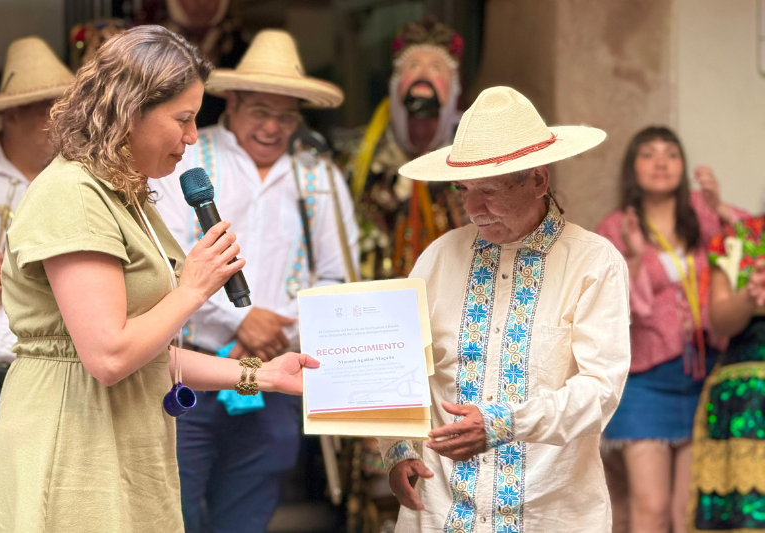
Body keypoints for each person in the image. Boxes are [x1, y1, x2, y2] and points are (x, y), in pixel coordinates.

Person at [0, 25, 317, 533]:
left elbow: (149, 353)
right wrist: (193, 288)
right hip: (72, 444)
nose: (192, 136)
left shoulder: (126, 195)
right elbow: (110, 357)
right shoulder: (72, 193)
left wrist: (262, 375)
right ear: (129, 111)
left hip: (127, 439)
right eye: (183, 119)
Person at [378, 86, 631, 532]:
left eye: (490, 191)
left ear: (538, 181)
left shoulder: (594, 263)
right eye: (464, 190)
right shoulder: (439, 258)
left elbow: (601, 390)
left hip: (548, 515)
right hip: (442, 513)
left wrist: (503, 423)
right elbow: (399, 362)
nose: (473, 208)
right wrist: (398, 450)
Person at [150, 29, 358, 533]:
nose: (271, 127)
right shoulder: (188, 157)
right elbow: (163, 258)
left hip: (275, 371)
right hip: (187, 368)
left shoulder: (319, 176)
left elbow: (338, 274)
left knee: (249, 511)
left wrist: (285, 328)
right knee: (173, 508)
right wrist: (239, 319)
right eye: (260, 110)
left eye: (286, 116)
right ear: (233, 102)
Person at [596, 126, 744, 533]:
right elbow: (614, 305)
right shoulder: (615, 226)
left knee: (687, 512)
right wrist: (637, 259)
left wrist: (720, 208)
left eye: (671, 154)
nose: (661, 162)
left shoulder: (703, 214)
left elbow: (751, 247)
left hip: (703, 374)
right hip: (644, 381)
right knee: (652, 509)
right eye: (648, 154)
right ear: (632, 167)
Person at [0, 36, 73, 532]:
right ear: (10, 113)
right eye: (49, 109)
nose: (63, 120)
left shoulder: (78, 179)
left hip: (60, 383)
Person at [337, 16, 467, 280]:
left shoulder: (472, 163)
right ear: (395, 85)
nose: (423, 75)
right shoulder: (359, 162)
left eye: (436, 68)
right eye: (413, 65)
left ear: (453, 89)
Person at [686, 214, 765, 532]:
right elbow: (719, 321)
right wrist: (750, 294)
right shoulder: (739, 238)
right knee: (744, 514)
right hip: (745, 397)